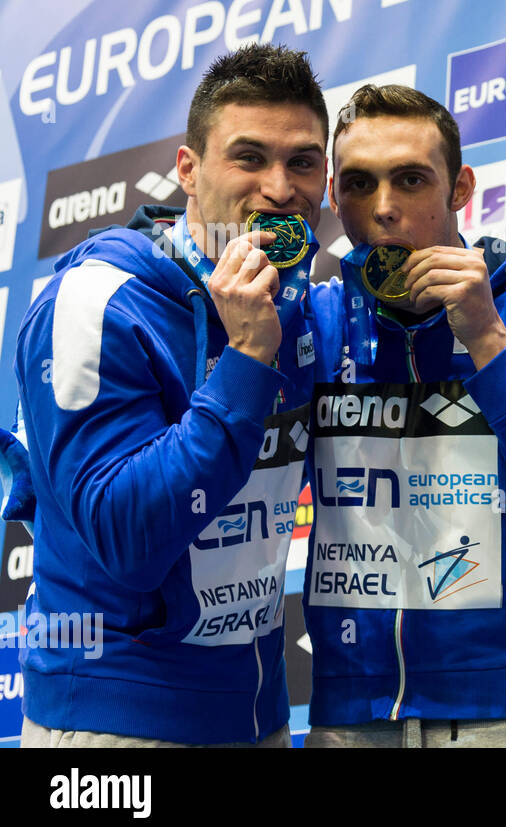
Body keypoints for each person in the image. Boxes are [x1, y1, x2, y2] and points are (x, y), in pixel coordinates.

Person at [12, 43, 328, 746]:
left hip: (259, 717)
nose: (280, 188)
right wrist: (246, 360)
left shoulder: (301, 305)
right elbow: (130, 539)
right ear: (188, 170)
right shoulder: (98, 300)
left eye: (302, 162)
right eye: (249, 157)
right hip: (115, 725)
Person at [301, 84, 506, 747]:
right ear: (333, 197)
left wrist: (489, 341)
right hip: (353, 717)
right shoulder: (313, 323)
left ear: (460, 187)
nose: (384, 209)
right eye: (358, 184)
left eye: (411, 179)